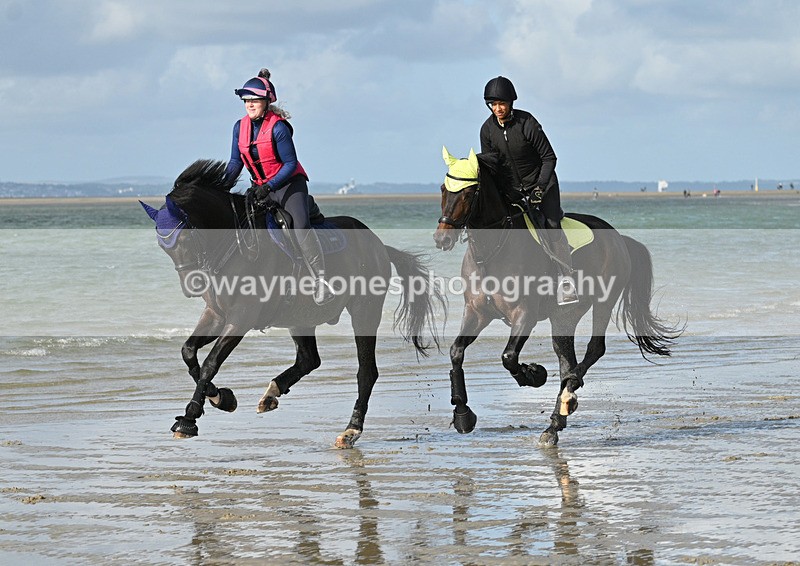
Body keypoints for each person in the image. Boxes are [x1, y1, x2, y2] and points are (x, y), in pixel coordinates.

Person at [224, 68, 333, 305]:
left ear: (266, 101)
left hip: (288, 185)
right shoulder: (238, 127)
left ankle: (320, 281)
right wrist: (222, 185)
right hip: (260, 188)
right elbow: (235, 162)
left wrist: (269, 186)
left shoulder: (279, 127)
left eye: (254, 100)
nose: (249, 105)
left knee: (300, 226)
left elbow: (290, 164)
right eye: (246, 100)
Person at [479, 76, 578, 306]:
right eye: (493, 104)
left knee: (551, 225)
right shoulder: (487, 130)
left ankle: (566, 282)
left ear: (511, 102)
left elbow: (549, 157)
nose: (498, 109)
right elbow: (492, 167)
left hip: (543, 184)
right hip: (513, 191)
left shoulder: (527, 123)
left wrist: (539, 189)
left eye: (501, 103)